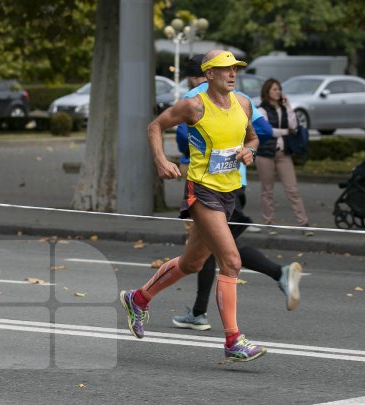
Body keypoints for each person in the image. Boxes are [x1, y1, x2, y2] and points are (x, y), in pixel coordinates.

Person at [120, 49, 269, 362]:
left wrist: (249, 151)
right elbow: (155, 127)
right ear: (209, 74)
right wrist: (161, 160)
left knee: (192, 264)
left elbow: (254, 138)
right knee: (231, 261)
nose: (232, 75)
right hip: (201, 192)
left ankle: (138, 298)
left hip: (229, 192)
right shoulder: (194, 106)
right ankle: (233, 340)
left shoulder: (243, 103)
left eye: (235, 70)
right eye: (224, 69)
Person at [171, 55, 303, 332]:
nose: (231, 75)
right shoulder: (239, 97)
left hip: (207, 184)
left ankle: (277, 274)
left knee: (222, 254)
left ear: (197, 77)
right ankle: (198, 312)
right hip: (236, 183)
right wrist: (243, 148)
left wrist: (200, 146)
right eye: (226, 69)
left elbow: (183, 139)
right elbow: (264, 130)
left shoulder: (195, 98)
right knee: (213, 252)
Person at [256, 78, 311, 232]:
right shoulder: (261, 109)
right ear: (267, 92)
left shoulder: (284, 108)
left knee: (292, 189)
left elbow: (295, 126)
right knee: (267, 190)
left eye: (278, 89)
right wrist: (287, 132)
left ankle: (303, 223)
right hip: (265, 153)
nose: (278, 92)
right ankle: (269, 223)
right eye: (274, 89)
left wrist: (288, 106)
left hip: (283, 153)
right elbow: (269, 131)